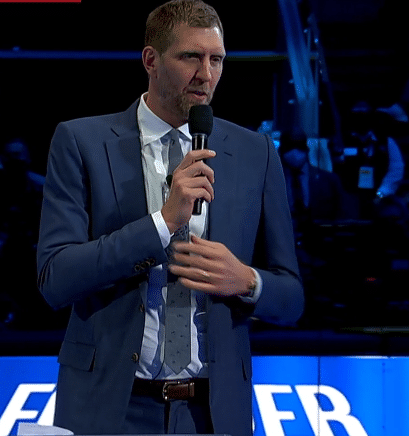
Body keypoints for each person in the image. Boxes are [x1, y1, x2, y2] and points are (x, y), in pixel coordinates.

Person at [36, 2, 304, 436]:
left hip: (212, 415)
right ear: (151, 60)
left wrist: (247, 281)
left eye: (216, 59)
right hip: (111, 409)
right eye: (190, 57)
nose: (206, 74)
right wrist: (161, 224)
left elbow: (292, 298)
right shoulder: (81, 142)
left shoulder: (255, 153)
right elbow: (56, 278)